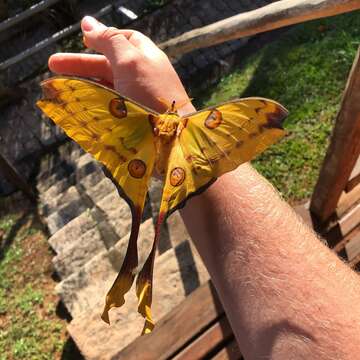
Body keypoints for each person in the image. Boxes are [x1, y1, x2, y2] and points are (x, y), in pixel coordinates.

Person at [49, 16, 360, 359]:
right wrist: (182, 111)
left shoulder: (145, 120)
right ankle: (132, 296)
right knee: (146, 229)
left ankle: (125, 296)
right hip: (180, 154)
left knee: (142, 224)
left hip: (140, 157)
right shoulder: (186, 126)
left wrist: (174, 112)